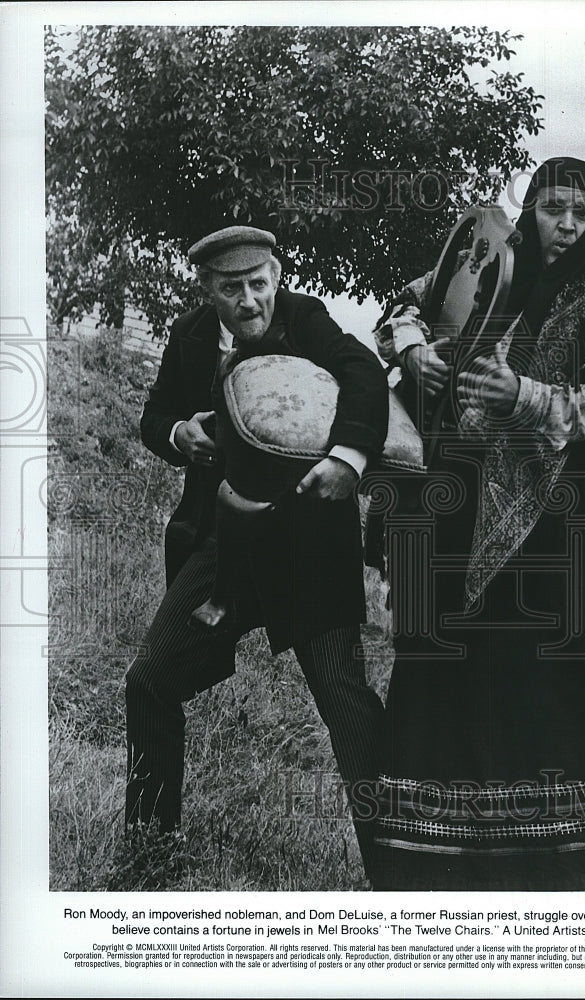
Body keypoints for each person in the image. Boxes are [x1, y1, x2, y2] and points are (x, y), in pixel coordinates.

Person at [370, 157, 585, 891]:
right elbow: (406, 306)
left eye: (583, 213)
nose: (569, 226)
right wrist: (415, 347)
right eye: (555, 209)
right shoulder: (491, 263)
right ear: (531, 211)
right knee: (449, 671)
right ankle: (438, 859)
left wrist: (529, 397)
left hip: (546, 518)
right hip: (454, 507)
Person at [125, 226, 388, 882]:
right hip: (224, 546)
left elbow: (363, 373)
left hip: (308, 545)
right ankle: (152, 854)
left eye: (257, 284)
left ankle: (404, 868)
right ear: (207, 290)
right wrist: (178, 432)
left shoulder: (305, 318)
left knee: (344, 702)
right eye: (230, 288)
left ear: (277, 277)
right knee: (151, 679)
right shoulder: (189, 335)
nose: (247, 301)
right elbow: (153, 417)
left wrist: (347, 456)